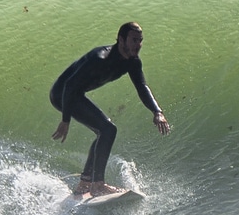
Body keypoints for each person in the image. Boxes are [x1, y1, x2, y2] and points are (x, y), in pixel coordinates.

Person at [50, 21, 170, 195]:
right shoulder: (99, 58)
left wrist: (157, 112)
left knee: (104, 131)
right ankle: (97, 184)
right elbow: (69, 85)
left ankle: (85, 183)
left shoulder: (132, 62)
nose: (138, 45)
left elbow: (142, 87)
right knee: (108, 129)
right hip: (62, 94)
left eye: (140, 40)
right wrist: (65, 120)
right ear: (121, 40)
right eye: (134, 40)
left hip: (75, 94)